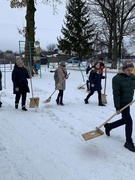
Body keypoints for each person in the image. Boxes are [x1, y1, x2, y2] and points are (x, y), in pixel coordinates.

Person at [104, 60, 135, 152]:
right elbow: (116, 94)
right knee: (129, 121)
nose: (130, 72)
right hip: (122, 103)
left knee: (125, 120)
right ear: (123, 69)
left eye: (131, 70)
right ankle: (128, 142)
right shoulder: (117, 79)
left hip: (128, 102)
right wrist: (117, 108)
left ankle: (109, 126)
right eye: (128, 70)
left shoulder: (132, 76)